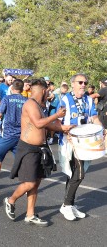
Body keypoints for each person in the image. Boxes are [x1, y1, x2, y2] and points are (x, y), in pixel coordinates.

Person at [3, 79, 72, 226]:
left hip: (40, 148)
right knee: (29, 183)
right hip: (28, 148)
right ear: (42, 90)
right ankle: (11, 200)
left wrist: (64, 128)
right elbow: (38, 123)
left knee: (36, 183)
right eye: (47, 90)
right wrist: (57, 115)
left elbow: (48, 125)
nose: (49, 92)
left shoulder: (41, 106)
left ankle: (30, 214)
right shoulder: (30, 104)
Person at [58, 73, 101, 221]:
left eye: (85, 82)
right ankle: (66, 205)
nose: (83, 85)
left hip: (86, 142)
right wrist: (65, 130)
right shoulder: (64, 99)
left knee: (76, 173)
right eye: (80, 82)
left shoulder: (89, 100)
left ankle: (69, 204)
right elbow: (57, 120)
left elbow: (94, 117)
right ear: (73, 84)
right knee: (77, 173)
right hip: (69, 142)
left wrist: (102, 131)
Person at [0, 79, 27, 191]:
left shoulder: (7, 99)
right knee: (21, 162)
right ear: (22, 89)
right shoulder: (26, 101)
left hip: (6, 135)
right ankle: (26, 187)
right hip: (20, 136)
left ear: (11, 88)